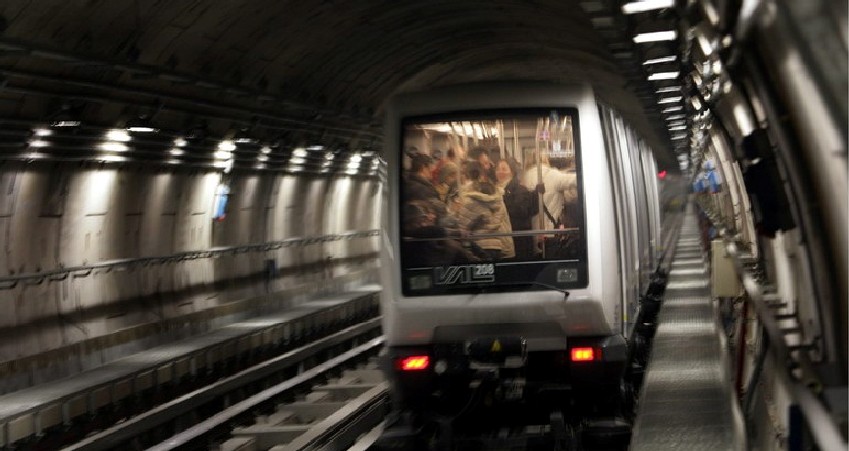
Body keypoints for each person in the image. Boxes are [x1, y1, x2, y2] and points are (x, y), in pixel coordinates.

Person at [456, 162, 515, 260]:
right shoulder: (498, 198)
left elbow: (463, 227)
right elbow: (499, 222)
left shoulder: (470, 200)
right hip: (498, 244)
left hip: (478, 245)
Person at [496, 157, 539, 259]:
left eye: (504, 169)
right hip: (503, 237)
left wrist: (504, 201)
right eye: (498, 169)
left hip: (518, 238)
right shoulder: (495, 189)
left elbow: (521, 211)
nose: (500, 172)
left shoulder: (519, 189)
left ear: (512, 171)